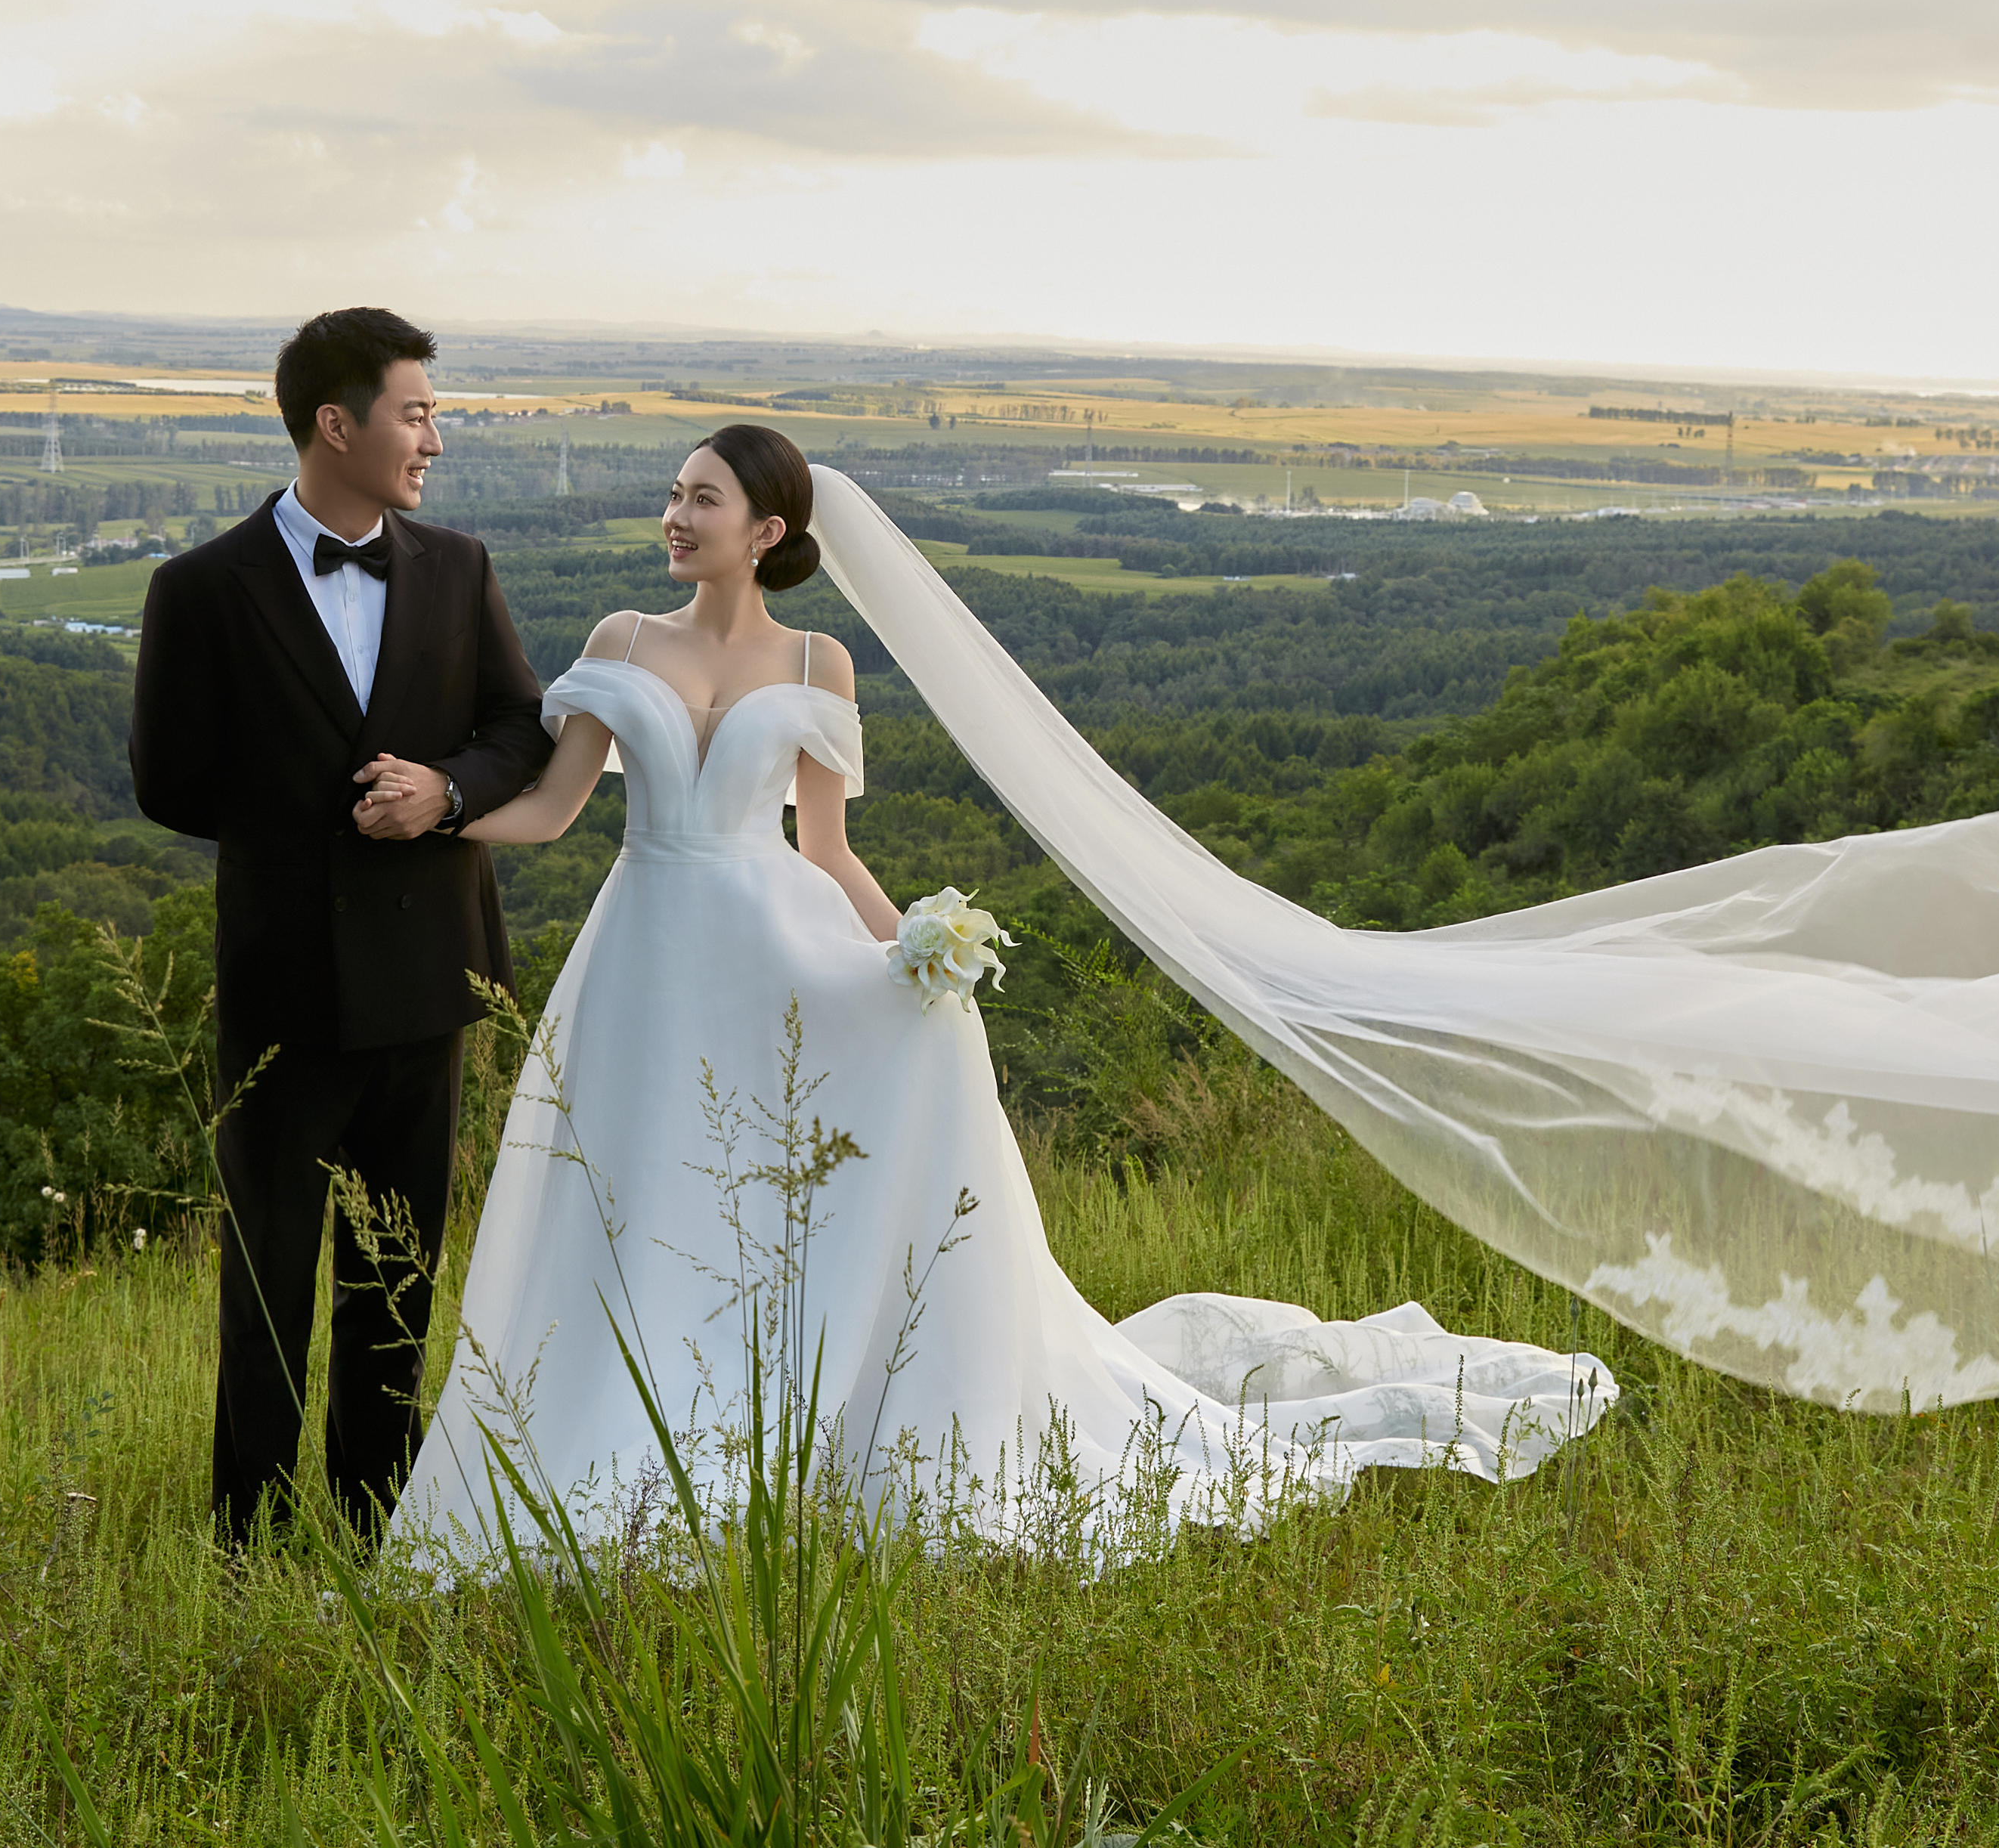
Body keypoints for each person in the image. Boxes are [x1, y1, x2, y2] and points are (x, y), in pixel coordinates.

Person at [388, 425, 1612, 1564]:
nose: (675, 514)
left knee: (771, 1195)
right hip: (646, 957)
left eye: (701, 497)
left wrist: (914, 960)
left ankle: (783, 1425)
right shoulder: (620, 642)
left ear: (766, 531)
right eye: (674, 494)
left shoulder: (818, 663)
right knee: (644, 1185)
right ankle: (623, 1432)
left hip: (779, 958)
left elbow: (827, 852)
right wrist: (432, 807)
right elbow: (551, 812)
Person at [133, 305, 550, 1543]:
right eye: (416, 411)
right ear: (335, 423)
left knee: (397, 1276)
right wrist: (320, 815)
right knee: (266, 1279)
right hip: (285, 984)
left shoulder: (460, 568)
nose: (435, 436)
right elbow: (169, 782)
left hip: (430, 976)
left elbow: (522, 730)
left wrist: (443, 792)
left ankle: (380, 1528)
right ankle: (248, 1545)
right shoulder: (200, 587)